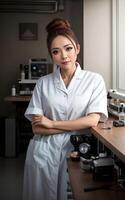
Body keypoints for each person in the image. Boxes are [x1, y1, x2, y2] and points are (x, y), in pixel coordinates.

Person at [23, 18, 108, 200]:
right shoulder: (43, 83)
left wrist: (51, 123)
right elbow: (36, 127)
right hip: (43, 152)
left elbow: (92, 120)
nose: (64, 56)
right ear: (51, 55)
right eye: (56, 51)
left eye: (68, 48)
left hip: (76, 150)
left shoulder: (94, 81)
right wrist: (75, 124)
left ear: (77, 48)